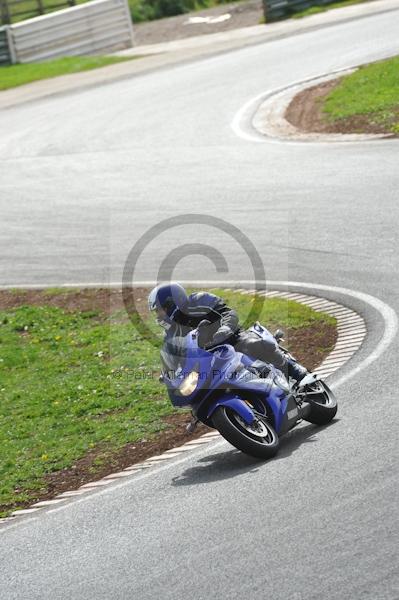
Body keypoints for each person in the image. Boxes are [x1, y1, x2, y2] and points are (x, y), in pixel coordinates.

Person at [148, 282, 307, 383]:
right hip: (212, 360)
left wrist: (225, 329)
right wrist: (168, 373)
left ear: (172, 302)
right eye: (157, 312)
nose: (159, 315)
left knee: (252, 345)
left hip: (232, 340)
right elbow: (171, 352)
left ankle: (293, 369)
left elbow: (227, 312)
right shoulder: (171, 331)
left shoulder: (199, 301)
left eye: (160, 310)